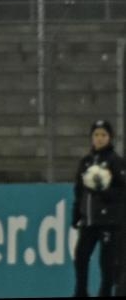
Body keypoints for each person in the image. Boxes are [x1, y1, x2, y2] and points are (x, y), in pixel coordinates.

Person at [71, 120, 126, 297]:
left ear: (110, 138)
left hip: (109, 221)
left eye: (103, 135)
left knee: (107, 262)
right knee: (81, 256)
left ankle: (105, 292)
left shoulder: (115, 161)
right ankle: (81, 291)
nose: (100, 138)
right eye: (96, 135)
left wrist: (105, 191)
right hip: (89, 220)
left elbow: (122, 190)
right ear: (91, 138)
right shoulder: (86, 162)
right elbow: (79, 191)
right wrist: (76, 214)